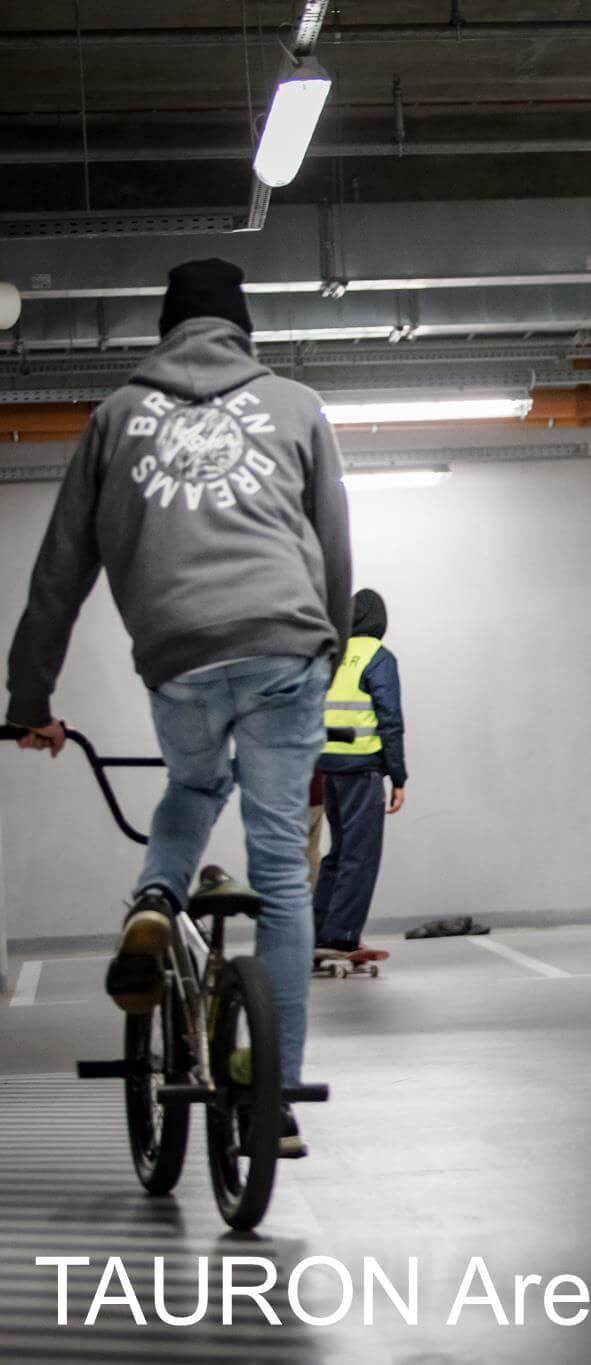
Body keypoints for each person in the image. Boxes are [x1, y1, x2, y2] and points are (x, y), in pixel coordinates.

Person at [6, 258, 351, 1157]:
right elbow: (333, 544)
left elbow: (59, 570)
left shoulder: (115, 416)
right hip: (285, 645)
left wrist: (30, 698)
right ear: (243, 330)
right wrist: (329, 647)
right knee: (281, 871)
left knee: (194, 786)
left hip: (179, 652)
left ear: (165, 332)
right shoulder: (297, 406)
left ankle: (156, 895)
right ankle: (273, 1095)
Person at [313, 588, 406, 958]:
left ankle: (318, 932)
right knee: (360, 855)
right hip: (362, 766)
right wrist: (398, 776)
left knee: (337, 853)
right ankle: (342, 936)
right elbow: (390, 719)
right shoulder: (378, 657)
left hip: (327, 765)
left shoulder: (332, 656)